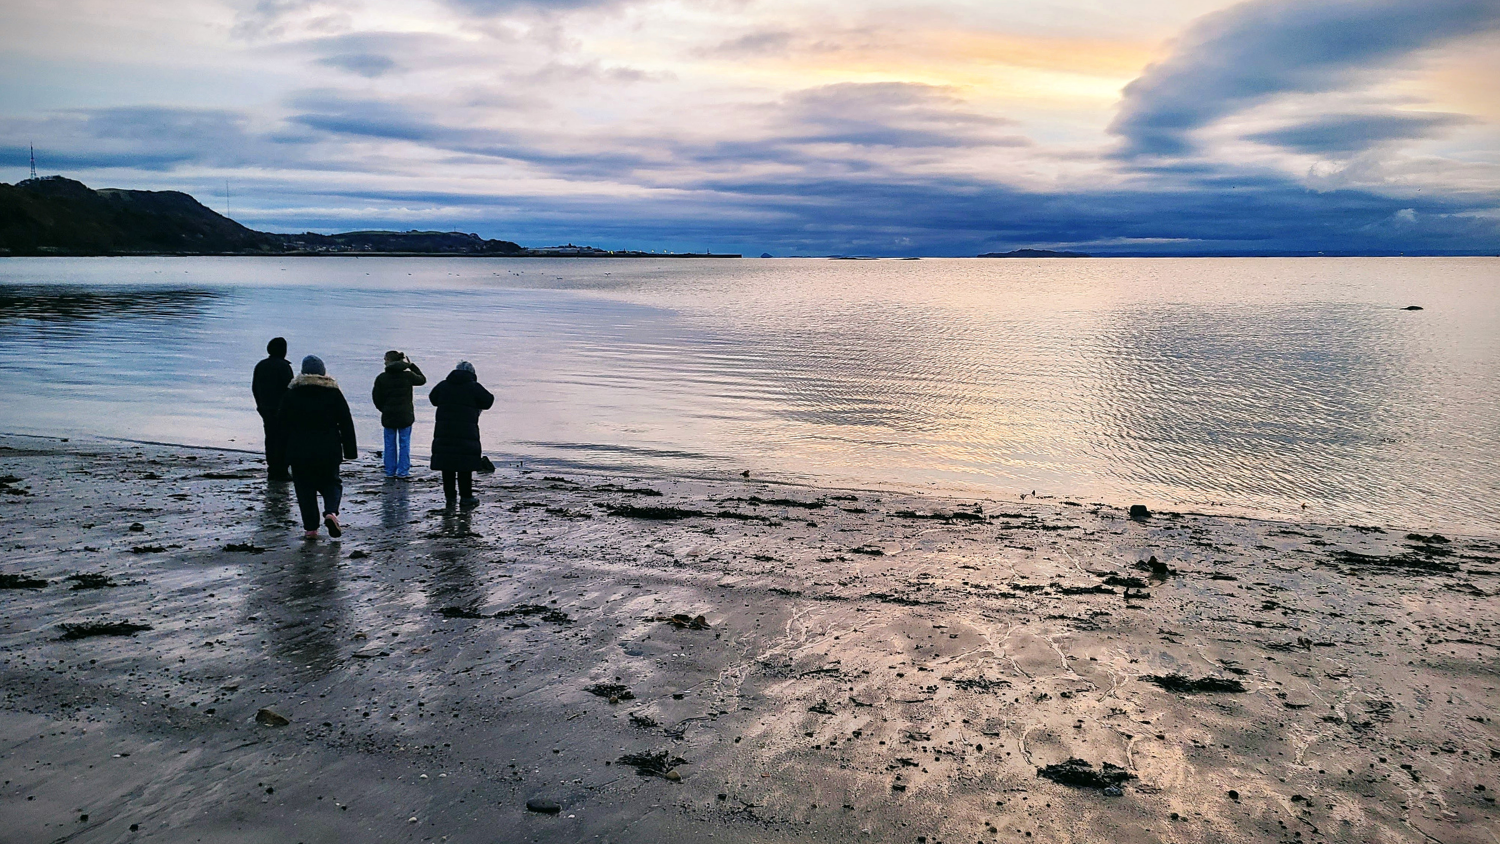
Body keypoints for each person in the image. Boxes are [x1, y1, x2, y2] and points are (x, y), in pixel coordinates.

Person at [278, 355, 357, 539]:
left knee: (304, 489)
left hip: (299, 450)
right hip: (328, 449)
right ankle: (331, 512)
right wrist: (350, 451)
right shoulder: (333, 393)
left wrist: (280, 453)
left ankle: (311, 529)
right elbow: (346, 422)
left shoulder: (292, 393)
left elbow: (281, 425)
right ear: (323, 372)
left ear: (303, 372)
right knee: (332, 483)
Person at [429, 360, 494, 508]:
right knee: (465, 465)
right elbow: (488, 401)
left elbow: (433, 399)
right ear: (472, 373)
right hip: (466, 433)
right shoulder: (473, 387)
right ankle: (466, 497)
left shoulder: (443, 385)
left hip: (444, 431)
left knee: (447, 466)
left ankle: (450, 497)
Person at [371, 350, 426, 480]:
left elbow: (376, 398)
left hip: (389, 414)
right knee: (404, 443)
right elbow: (422, 380)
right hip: (405, 415)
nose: (384, 361)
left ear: (389, 361)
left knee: (389, 444)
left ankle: (390, 471)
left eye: (385, 359)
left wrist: (383, 409)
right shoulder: (408, 376)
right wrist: (411, 365)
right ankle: (403, 471)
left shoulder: (381, 378)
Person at [251, 337, 294, 481]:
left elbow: (255, 388)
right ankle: (281, 470)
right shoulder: (284, 367)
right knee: (283, 440)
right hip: (281, 410)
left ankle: (273, 468)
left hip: (265, 409)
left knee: (270, 438)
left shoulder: (261, 365)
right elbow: (290, 390)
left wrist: (260, 405)